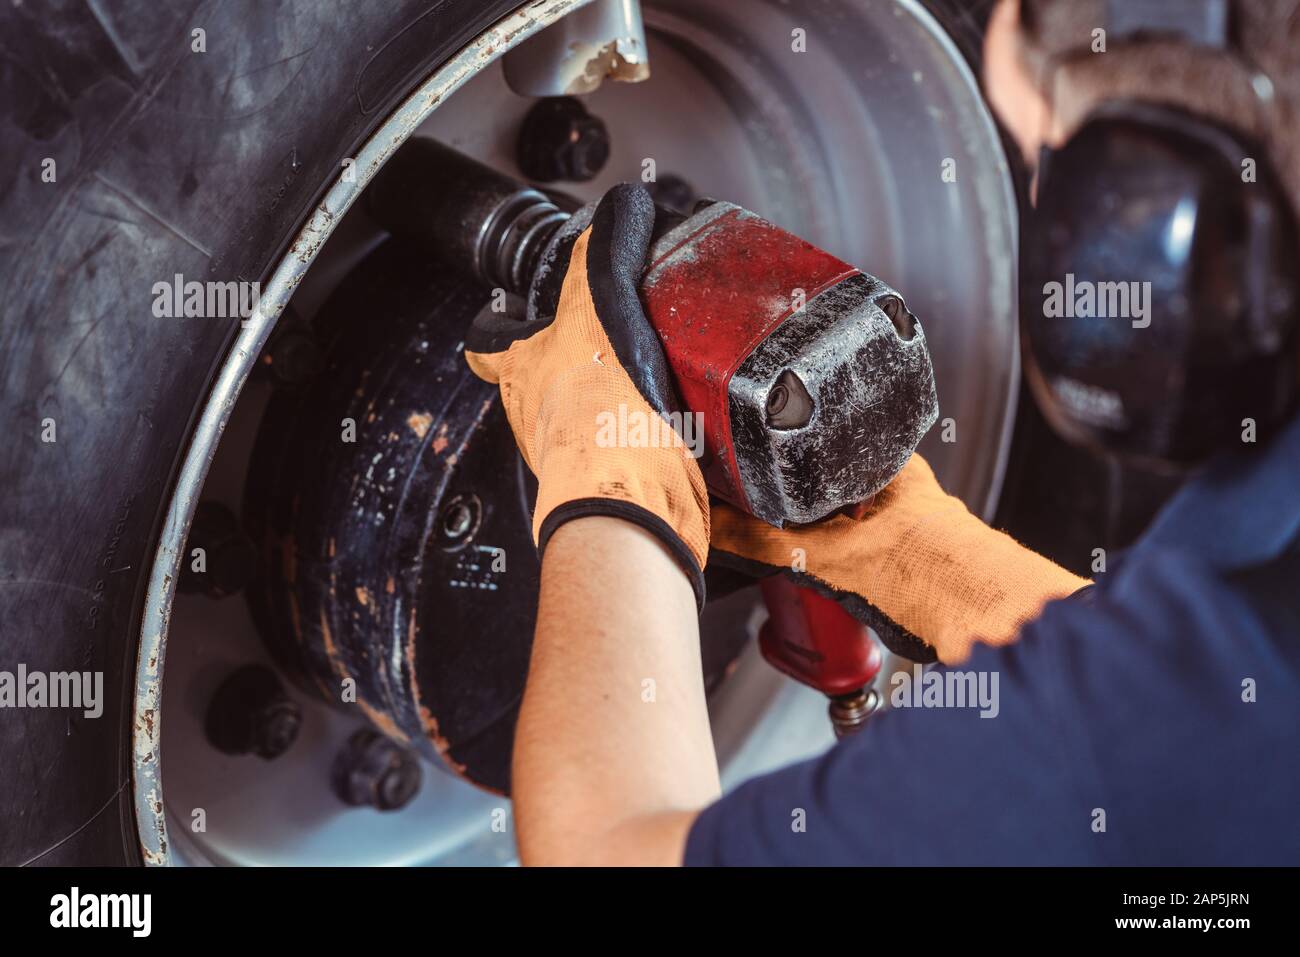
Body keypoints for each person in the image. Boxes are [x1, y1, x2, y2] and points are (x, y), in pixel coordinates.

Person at [465, 0, 1300, 865]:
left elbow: (597, 853)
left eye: (1047, 165)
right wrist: (935, 562)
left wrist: (608, 483)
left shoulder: (1112, 755)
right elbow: (1186, 715)